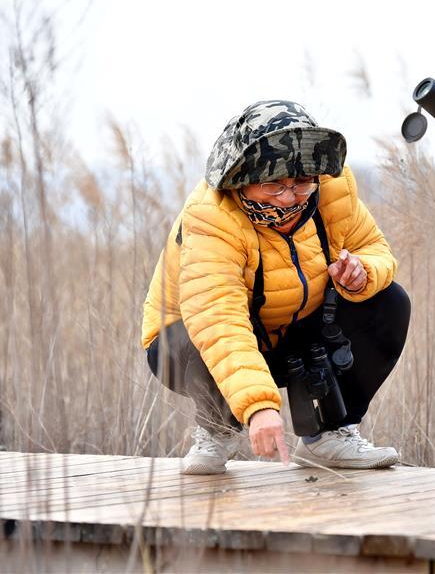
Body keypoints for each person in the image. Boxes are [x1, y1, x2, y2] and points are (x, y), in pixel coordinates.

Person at [141, 100, 411, 474]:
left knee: (390, 302)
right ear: (241, 180)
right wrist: (258, 406)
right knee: (193, 337)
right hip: (191, 344)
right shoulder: (210, 216)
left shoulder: (332, 191)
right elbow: (218, 320)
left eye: (301, 184)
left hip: (290, 336)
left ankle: (328, 433)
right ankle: (218, 429)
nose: (289, 199)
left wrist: (362, 272)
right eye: (273, 186)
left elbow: (374, 248)